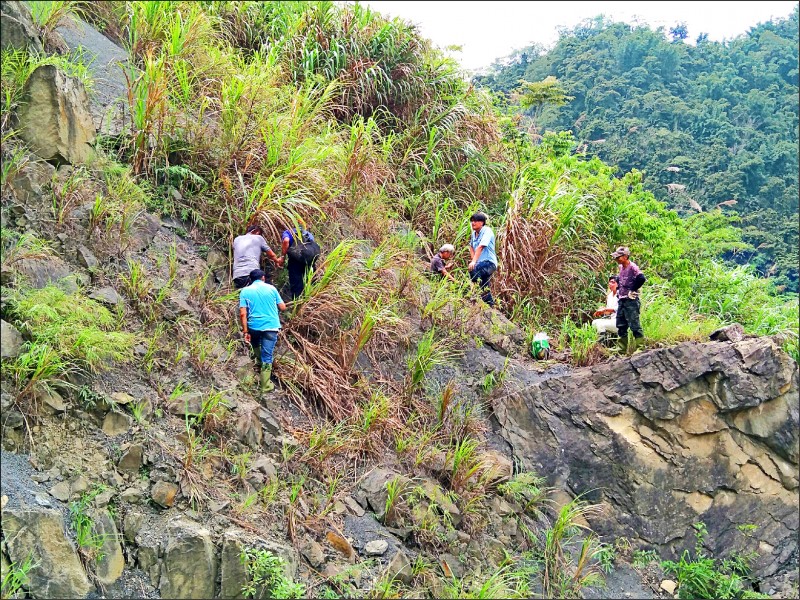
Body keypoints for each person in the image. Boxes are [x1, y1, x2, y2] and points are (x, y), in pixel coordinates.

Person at [239, 269, 288, 395]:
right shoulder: (271, 289)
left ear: (251, 280)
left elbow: (243, 313)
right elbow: (282, 307)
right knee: (268, 355)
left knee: (255, 342)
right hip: (271, 326)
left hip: (254, 326)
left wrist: (245, 331)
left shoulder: (245, 291)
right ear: (263, 278)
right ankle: (265, 385)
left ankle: (258, 361)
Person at [612, 246, 646, 352]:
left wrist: (632, 289)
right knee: (621, 324)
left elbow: (641, 278)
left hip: (631, 300)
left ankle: (640, 347)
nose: (616, 259)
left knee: (634, 324)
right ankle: (621, 348)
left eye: (619, 257)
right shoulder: (621, 267)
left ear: (626, 256)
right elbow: (620, 279)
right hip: (622, 299)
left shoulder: (633, 267)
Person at [232, 225, 283, 290]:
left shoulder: (236, 239)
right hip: (252, 273)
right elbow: (271, 255)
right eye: (260, 233)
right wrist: (277, 261)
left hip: (237, 274)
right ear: (256, 231)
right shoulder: (258, 238)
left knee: (242, 295)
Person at [281, 222, 320, 300]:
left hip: (295, 262)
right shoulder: (308, 234)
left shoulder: (288, 232)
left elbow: (286, 240)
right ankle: (312, 299)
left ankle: (297, 302)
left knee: (296, 283)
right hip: (309, 261)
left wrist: (283, 256)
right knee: (310, 279)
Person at [467, 212, 498, 307]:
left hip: (489, 263)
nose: (473, 223)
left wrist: (473, 262)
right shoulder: (474, 234)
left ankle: (474, 295)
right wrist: (474, 260)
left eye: (475, 221)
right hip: (481, 263)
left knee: (474, 271)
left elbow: (481, 247)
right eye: (472, 221)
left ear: (482, 222)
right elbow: (471, 247)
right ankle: (490, 305)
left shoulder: (487, 231)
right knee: (484, 286)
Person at [591, 276, 619, 340]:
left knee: (600, 324)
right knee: (594, 322)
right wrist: (600, 311)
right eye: (609, 282)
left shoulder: (621, 294)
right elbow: (609, 312)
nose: (610, 284)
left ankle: (600, 344)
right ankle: (599, 341)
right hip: (613, 320)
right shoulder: (610, 296)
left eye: (613, 282)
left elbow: (618, 309)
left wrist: (605, 309)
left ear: (618, 284)